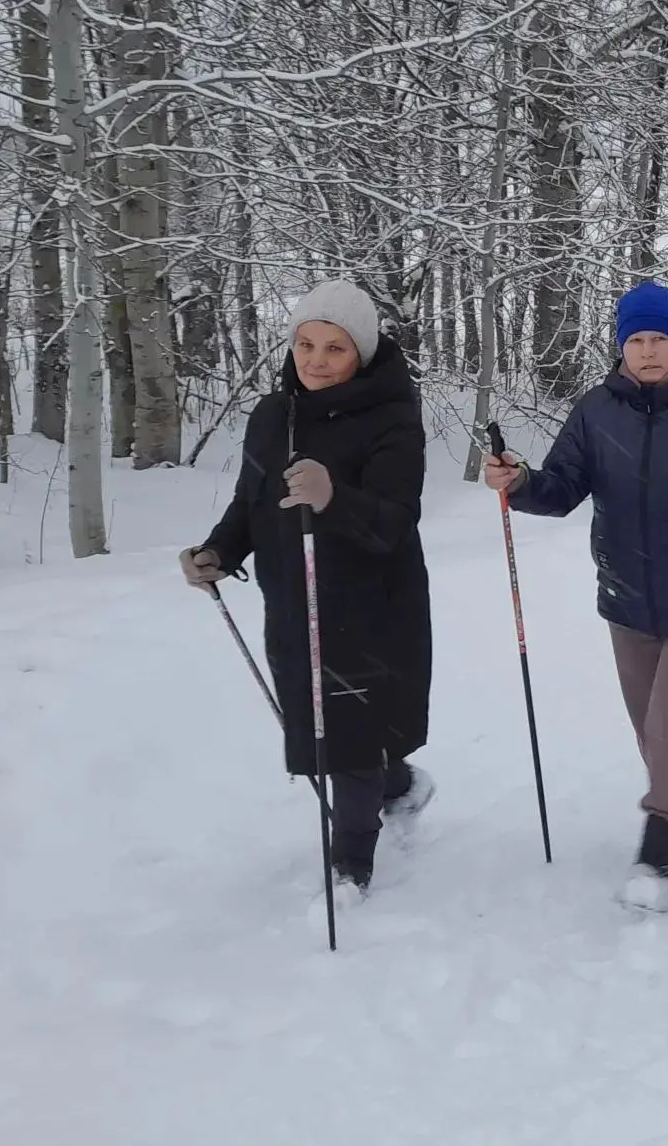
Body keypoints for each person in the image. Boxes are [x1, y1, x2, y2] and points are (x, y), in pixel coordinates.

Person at [484, 281, 668, 910]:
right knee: (650, 728)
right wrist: (519, 480)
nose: (646, 350)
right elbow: (559, 489)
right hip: (627, 597)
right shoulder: (596, 411)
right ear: (620, 346)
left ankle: (659, 845)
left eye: (659, 339)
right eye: (635, 339)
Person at [180, 279, 435, 894]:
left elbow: (394, 520)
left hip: (373, 603)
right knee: (331, 722)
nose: (317, 360)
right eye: (305, 344)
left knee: (343, 735)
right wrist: (218, 551)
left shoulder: (392, 418)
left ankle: (351, 862)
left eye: (335, 348)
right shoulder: (273, 416)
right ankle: (399, 784)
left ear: (363, 354)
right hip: (295, 599)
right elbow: (251, 502)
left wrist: (332, 497)